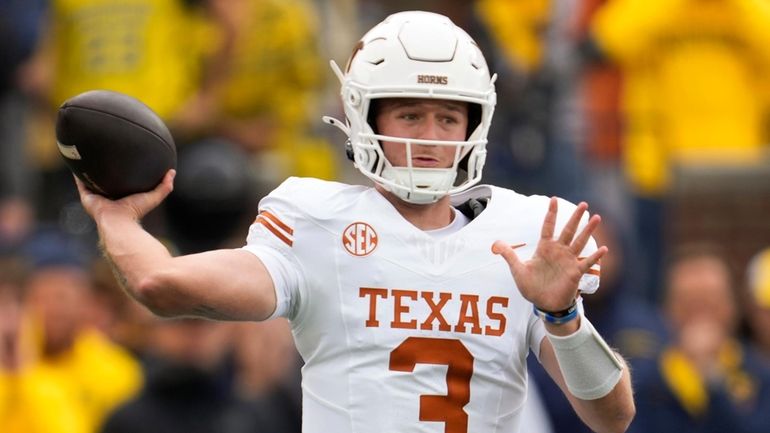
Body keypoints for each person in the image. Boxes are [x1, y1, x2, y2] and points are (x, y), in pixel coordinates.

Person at [74, 11, 634, 433]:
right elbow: (161, 286)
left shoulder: (519, 236)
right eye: (410, 114)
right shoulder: (315, 222)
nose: (431, 139)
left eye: (447, 117)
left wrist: (562, 317)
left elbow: (612, 417)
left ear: (473, 127)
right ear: (365, 117)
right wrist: (116, 218)